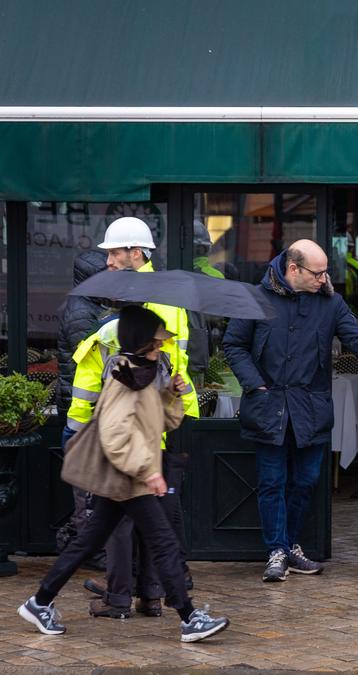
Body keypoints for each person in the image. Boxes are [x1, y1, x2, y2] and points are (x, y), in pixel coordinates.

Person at [19, 306, 230, 643]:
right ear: (140, 342)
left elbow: (165, 422)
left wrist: (172, 394)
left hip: (125, 479)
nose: (161, 349)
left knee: (87, 541)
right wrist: (149, 473)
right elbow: (116, 438)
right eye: (156, 344)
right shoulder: (125, 377)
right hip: (129, 479)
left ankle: (39, 601)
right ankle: (189, 617)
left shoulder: (145, 374)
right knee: (163, 542)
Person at [223, 239, 358, 582]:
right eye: (317, 273)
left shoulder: (330, 304)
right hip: (269, 406)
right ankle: (276, 551)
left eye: (325, 271)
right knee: (272, 481)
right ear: (293, 269)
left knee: (306, 481)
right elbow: (234, 345)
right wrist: (254, 383)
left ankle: (290, 546)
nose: (324, 279)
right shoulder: (255, 299)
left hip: (310, 409)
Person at [68, 217, 198, 619]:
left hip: (125, 425)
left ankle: (119, 597)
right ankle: (153, 595)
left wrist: (80, 422)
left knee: (120, 520)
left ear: (136, 253)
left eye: (114, 252)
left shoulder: (133, 304)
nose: (107, 260)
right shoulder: (164, 297)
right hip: (157, 421)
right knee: (149, 515)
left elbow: (106, 370)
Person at [54, 249, 112, 565]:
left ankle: (80, 541)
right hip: (82, 408)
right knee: (87, 486)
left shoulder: (89, 306)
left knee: (90, 484)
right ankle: (85, 546)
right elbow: (89, 361)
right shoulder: (81, 312)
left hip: (84, 406)